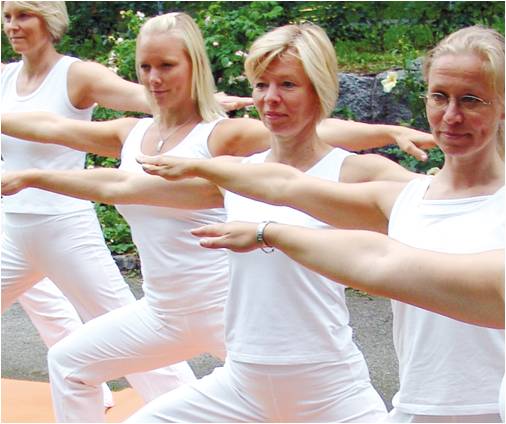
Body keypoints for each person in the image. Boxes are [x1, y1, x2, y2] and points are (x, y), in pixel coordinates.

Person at [139, 25, 505, 422]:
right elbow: (286, 185)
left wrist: (267, 233)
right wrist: (199, 166)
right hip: (413, 411)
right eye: (439, 97)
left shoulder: (397, 187)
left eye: (471, 100)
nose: (451, 115)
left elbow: (377, 261)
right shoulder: (405, 200)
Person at [0, 0, 200, 414]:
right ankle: (93, 391)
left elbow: (144, 96)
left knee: (124, 322)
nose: (12, 26)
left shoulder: (76, 74)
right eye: (7, 16)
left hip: (64, 227)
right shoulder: (4, 78)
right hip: (12, 230)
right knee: (55, 317)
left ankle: (190, 413)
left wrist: (206, 103)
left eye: (23, 15)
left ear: (48, 20)